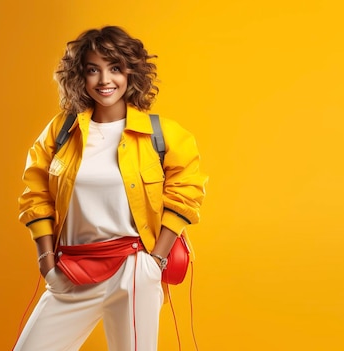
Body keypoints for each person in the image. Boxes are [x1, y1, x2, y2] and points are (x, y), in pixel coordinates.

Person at [14, 26, 207, 351]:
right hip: (71, 270)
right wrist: (47, 262)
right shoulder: (61, 132)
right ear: (80, 77)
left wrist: (154, 261)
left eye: (115, 68)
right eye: (93, 70)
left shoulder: (163, 135)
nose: (105, 80)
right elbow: (36, 196)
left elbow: (186, 193)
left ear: (132, 73)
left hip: (132, 269)